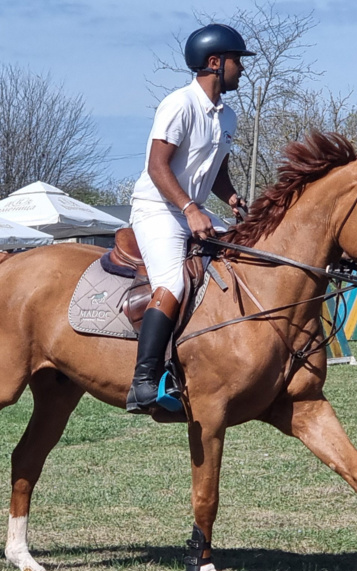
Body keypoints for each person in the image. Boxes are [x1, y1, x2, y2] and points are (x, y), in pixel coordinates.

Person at [126, 23, 253, 414]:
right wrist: (189, 208)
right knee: (173, 283)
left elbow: (215, 171)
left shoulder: (227, 115)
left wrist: (230, 197)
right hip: (158, 209)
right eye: (236, 62)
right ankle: (144, 381)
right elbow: (157, 166)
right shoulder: (179, 104)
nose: (241, 70)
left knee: (245, 255)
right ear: (214, 63)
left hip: (192, 209)